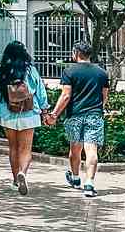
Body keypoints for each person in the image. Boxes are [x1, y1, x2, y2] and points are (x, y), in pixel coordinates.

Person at [46, 41, 111, 197]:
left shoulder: (69, 71)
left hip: (74, 115)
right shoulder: (101, 72)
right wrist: (98, 109)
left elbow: (66, 95)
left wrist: (54, 114)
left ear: (76, 53)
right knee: (91, 150)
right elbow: (104, 97)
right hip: (94, 115)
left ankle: (75, 179)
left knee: (75, 149)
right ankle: (89, 184)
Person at [0, 40, 49, 194]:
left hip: (7, 113)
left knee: (13, 147)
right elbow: (41, 93)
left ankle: (15, 180)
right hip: (29, 113)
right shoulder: (31, 70)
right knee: (25, 149)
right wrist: (45, 110)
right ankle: (23, 173)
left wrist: (3, 99)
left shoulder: (1, 71)